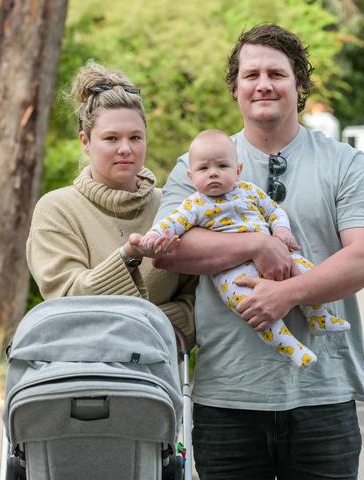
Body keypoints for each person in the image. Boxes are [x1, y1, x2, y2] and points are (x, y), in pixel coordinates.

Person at [141, 24, 364, 479]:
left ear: (299, 84)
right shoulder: (199, 163)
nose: (264, 84)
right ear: (235, 87)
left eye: (277, 73)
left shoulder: (344, 163)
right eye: (251, 74)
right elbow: (169, 250)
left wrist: (288, 293)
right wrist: (257, 242)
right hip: (228, 398)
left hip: (324, 395)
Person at [140, 129, 350, 369]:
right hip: (233, 273)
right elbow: (172, 224)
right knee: (253, 307)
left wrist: (281, 230)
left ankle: (318, 317)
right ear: (190, 176)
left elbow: (274, 211)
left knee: (305, 270)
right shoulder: (194, 204)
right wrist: (152, 237)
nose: (213, 174)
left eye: (222, 166)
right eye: (203, 169)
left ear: (237, 170)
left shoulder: (248, 191)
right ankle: (289, 346)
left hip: (279, 254)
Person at [26, 61, 196, 345]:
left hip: (160, 375)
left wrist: (142, 327)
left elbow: (199, 300)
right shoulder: (57, 209)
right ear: (85, 141)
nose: (126, 149)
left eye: (135, 137)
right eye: (111, 138)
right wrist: (127, 256)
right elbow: (67, 303)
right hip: (84, 374)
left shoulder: (173, 205)